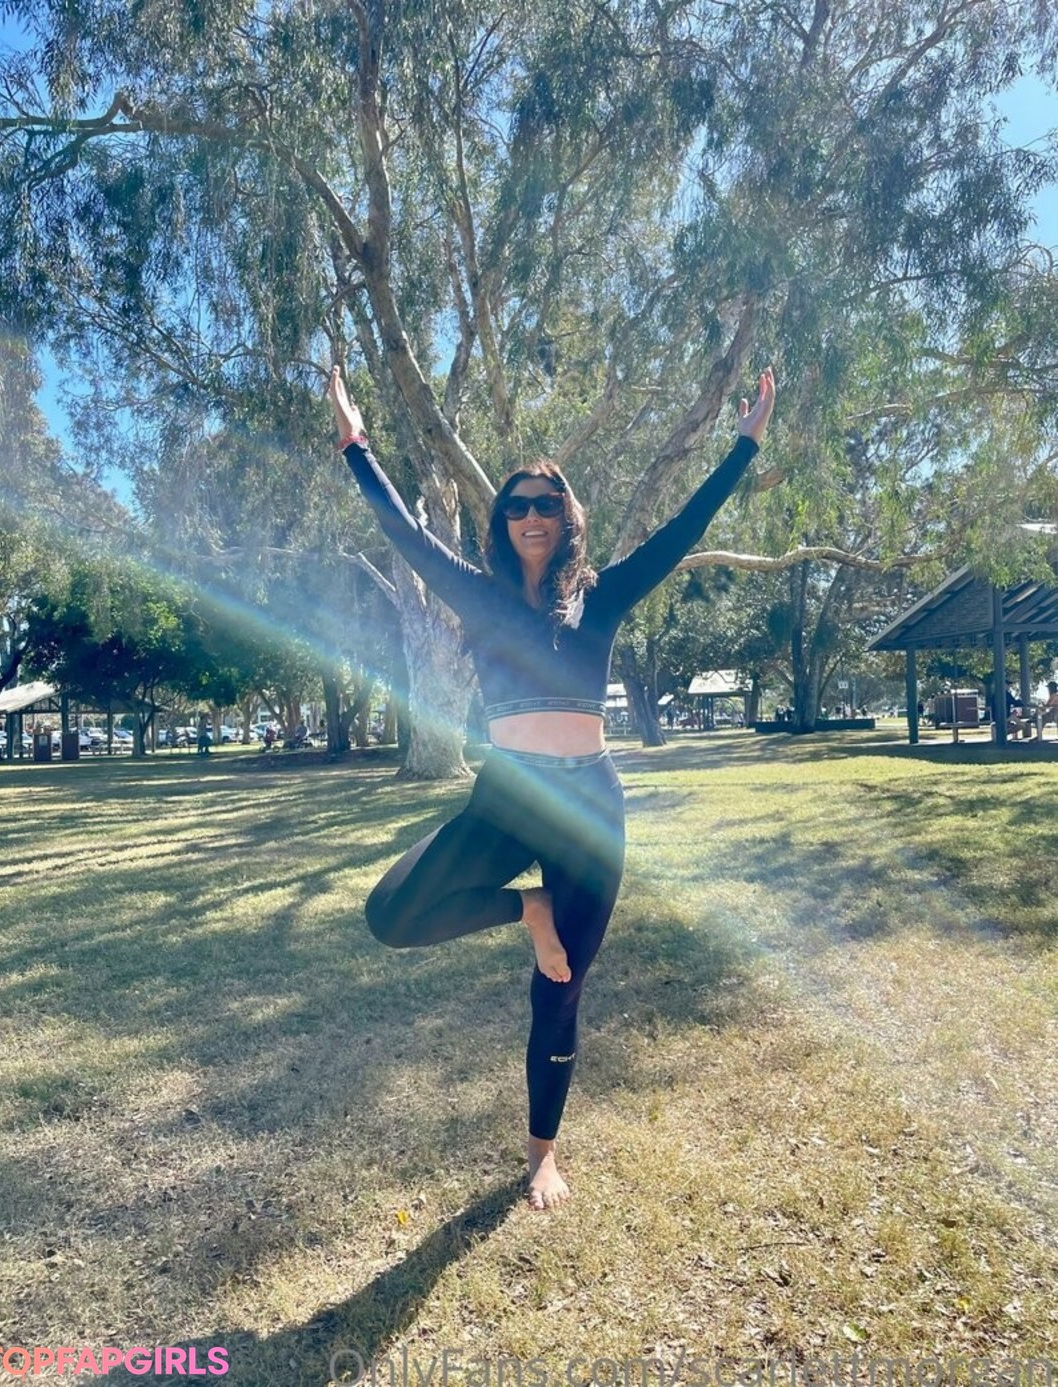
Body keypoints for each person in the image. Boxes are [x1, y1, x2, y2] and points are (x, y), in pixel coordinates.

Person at [328, 362, 776, 1210]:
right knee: (392, 913)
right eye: (517, 504)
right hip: (508, 798)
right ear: (503, 522)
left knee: (561, 986)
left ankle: (542, 1153)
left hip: (588, 807)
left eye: (546, 502)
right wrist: (356, 443)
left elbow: (683, 529)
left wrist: (744, 446)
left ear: (567, 518)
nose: (531, 514)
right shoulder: (480, 596)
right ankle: (527, 907)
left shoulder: (601, 598)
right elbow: (402, 532)